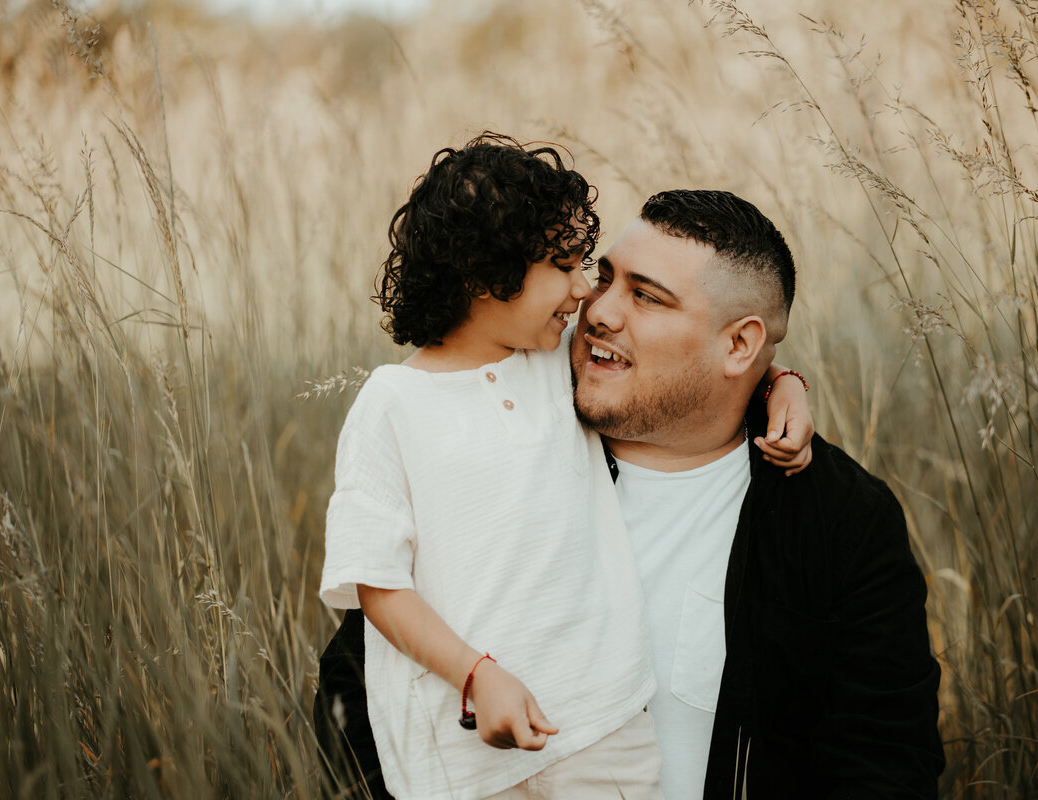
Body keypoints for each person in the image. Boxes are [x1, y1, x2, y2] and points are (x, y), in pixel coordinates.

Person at [315, 136, 813, 800]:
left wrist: (781, 382)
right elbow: (374, 579)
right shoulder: (392, 406)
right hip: (462, 763)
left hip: (602, 730)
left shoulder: (553, 361)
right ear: (481, 273)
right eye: (564, 265)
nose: (585, 295)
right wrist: (473, 674)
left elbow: (691, 361)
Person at [569, 189, 945, 797]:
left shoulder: (839, 518)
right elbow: (369, 690)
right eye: (603, 277)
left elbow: (886, 760)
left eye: (645, 295)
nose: (598, 311)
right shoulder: (511, 451)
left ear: (740, 345)